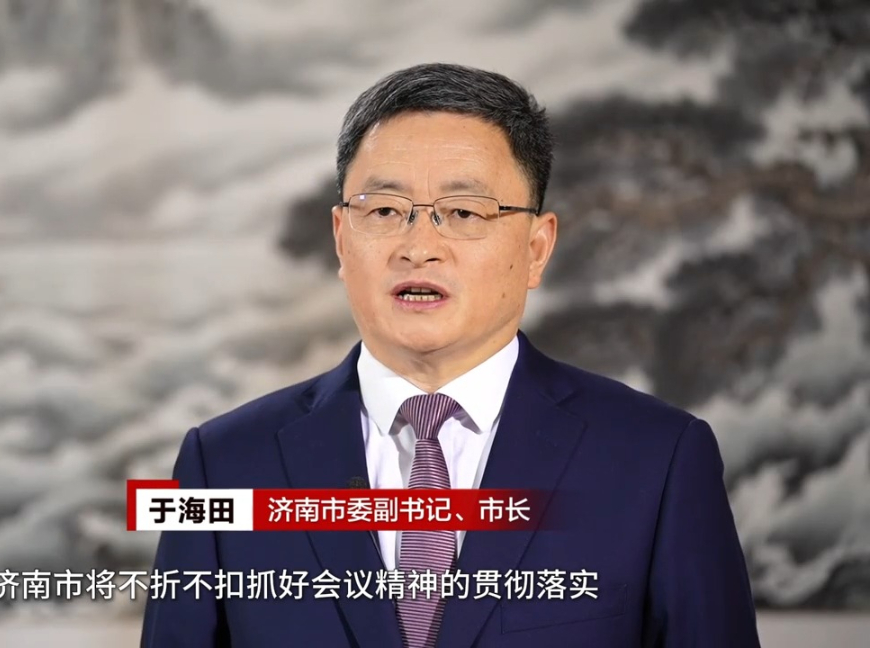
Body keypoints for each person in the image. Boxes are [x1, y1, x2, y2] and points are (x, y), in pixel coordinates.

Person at [140, 63, 761, 648]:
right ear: (341, 239)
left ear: (537, 248)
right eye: (385, 210)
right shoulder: (223, 463)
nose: (419, 247)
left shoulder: (657, 459)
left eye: (464, 212)